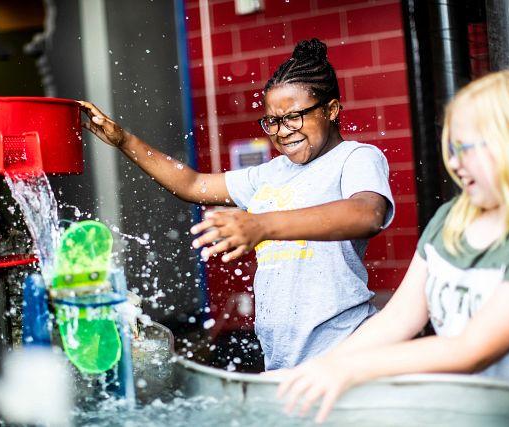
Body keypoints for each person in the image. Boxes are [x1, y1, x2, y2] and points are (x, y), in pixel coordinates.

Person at [274, 66, 509, 423]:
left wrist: (350, 370)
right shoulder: (453, 217)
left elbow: (471, 350)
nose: (455, 163)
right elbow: (400, 318)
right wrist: (314, 370)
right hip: (475, 412)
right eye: (452, 147)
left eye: (467, 149)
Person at [79, 38, 395, 370]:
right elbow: (192, 184)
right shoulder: (270, 174)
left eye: (294, 117)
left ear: (331, 110)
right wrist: (124, 141)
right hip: (282, 360)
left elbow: (367, 213)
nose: (282, 132)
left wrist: (261, 224)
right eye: (272, 121)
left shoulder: (355, 158)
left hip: (344, 352)